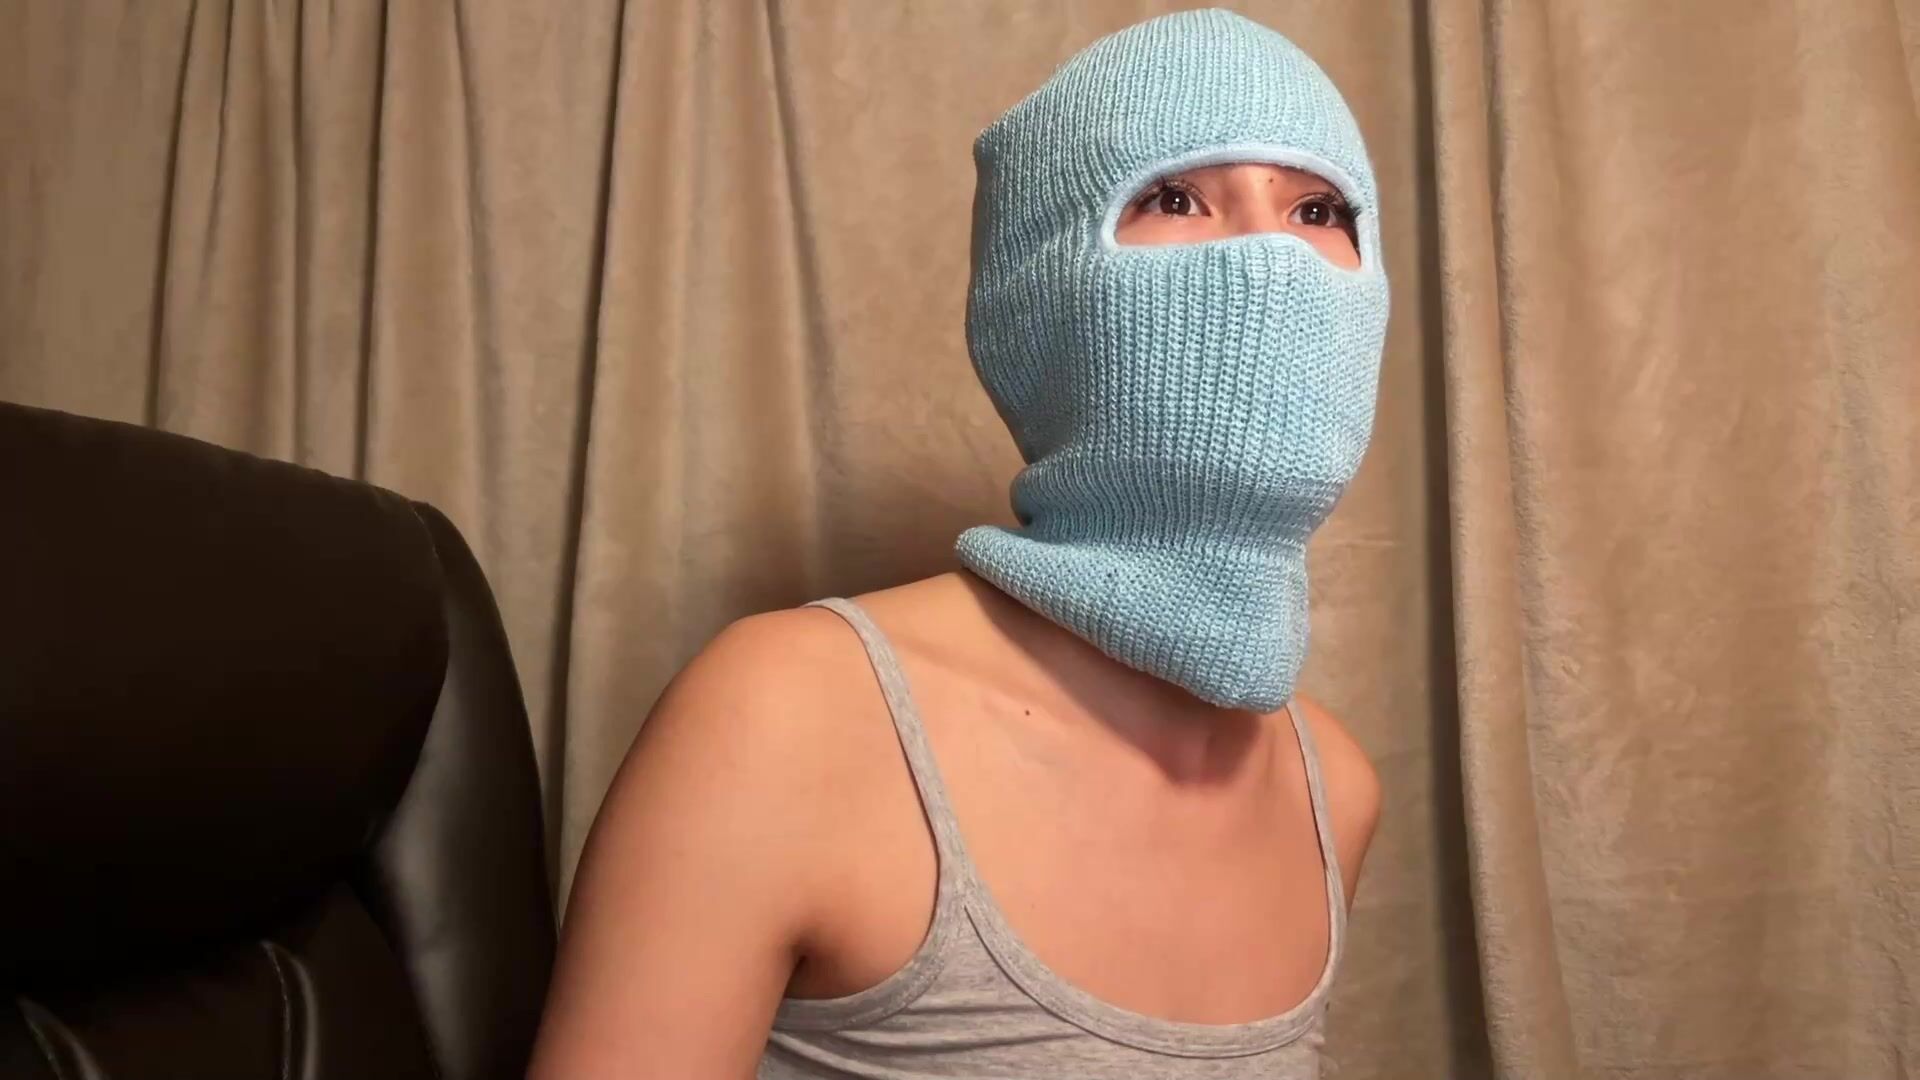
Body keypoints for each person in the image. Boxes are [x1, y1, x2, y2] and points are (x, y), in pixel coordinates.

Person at [529, 8, 1391, 1077]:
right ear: (1039, 296)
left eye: (1319, 210)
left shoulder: (1334, 789)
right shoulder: (783, 717)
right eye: (1173, 198)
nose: (1272, 261)